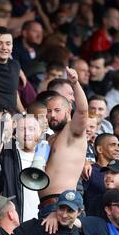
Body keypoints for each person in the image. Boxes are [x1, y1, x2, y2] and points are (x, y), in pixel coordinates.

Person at [38, 66, 88, 218]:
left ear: (68, 111)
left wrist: (75, 83)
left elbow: (83, 110)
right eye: (49, 111)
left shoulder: (72, 130)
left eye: (57, 110)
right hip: (46, 206)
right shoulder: (50, 138)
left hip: (64, 205)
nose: (52, 115)